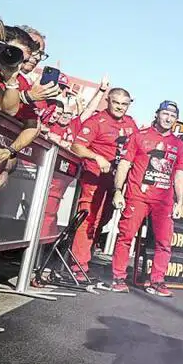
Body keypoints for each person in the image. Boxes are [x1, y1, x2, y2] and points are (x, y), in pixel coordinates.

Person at [108, 100, 183, 297]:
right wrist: (118, 190)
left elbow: (179, 174)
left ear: (176, 119)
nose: (168, 118)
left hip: (163, 202)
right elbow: (124, 164)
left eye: (172, 116)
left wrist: (180, 201)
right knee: (125, 236)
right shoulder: (139, 136)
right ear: (157, 114)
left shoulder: (179, 145)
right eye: (165, 114)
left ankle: (157, 281)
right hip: (137, 196)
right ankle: (118, 277)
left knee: (164, 243)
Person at [67, 87, 139, 277]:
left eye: (124, 104)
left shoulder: (131, 123)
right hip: (94, 177)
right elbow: (76, 146)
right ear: (108, 101)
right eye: (116, 103)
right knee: (89, 219)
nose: (120, 107)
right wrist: (97, 157)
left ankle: (85, 257)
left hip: (116, 181)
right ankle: (78, 266)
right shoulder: (96, 121)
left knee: (104, 220)